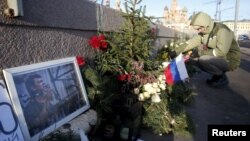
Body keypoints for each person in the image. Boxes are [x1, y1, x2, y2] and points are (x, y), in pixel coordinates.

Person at [172, 12, 240, 87]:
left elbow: (221, 52)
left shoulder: (222, 30)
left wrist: (200, 53)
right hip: (219, 58)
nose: (199, 31)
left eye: (199, 28)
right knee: (190, 59)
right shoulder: (204, 32)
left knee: (203, 59)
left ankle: (221, 77)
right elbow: (191, 43)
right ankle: (216, 73)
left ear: (205, 25)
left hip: (230, 59)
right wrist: (176, 51)